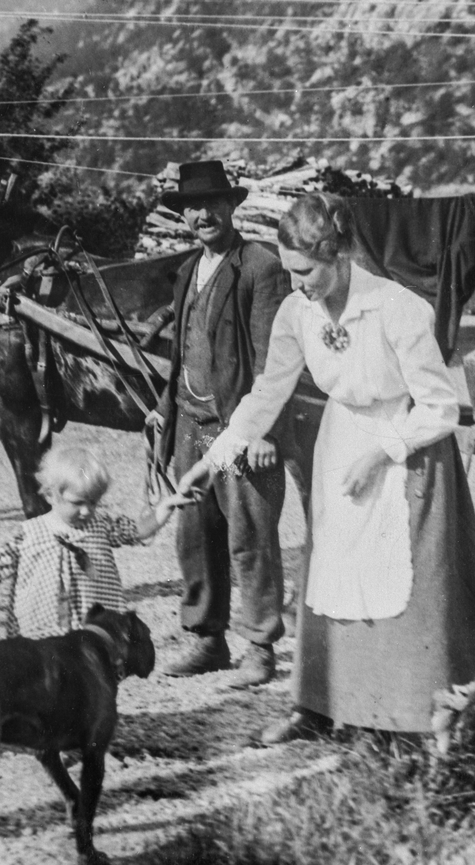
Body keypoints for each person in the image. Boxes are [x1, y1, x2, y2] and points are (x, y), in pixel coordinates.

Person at [178, 193, 475, 744]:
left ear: (340, 256)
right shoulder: (296, 311)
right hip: (341, 440)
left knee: (400, 580)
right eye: (288, 271)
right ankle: (318, 706)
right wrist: (213, 461)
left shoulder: (398, 309)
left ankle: (410, 713)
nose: (297, 283)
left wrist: (382, 451)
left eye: (305, 271)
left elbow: (442, 407)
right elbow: (268, 393)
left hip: (408, 448)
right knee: (332, 572)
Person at [148, 160, 294, 688]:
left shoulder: (260, 266)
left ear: (232, 206)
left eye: (213, 203)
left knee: (249, 536)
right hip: (191, 422)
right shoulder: (189, 270)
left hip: (241, 424)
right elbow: (182, 353)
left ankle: (259, 645)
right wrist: (166, 416)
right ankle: (207, 638)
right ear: (182, 215)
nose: (203, 214)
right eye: (192, 206)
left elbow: (275, 364)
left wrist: (264, 433)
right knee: (195, 534)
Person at [0, 445, 190, 638]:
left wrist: (165, 507)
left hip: (92, 625)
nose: (86, 511)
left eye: (93, 503)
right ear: (50, 495)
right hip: (45, 626)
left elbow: (139, 531)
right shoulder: (29, 533)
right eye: (77, 503)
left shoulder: (101, 524)